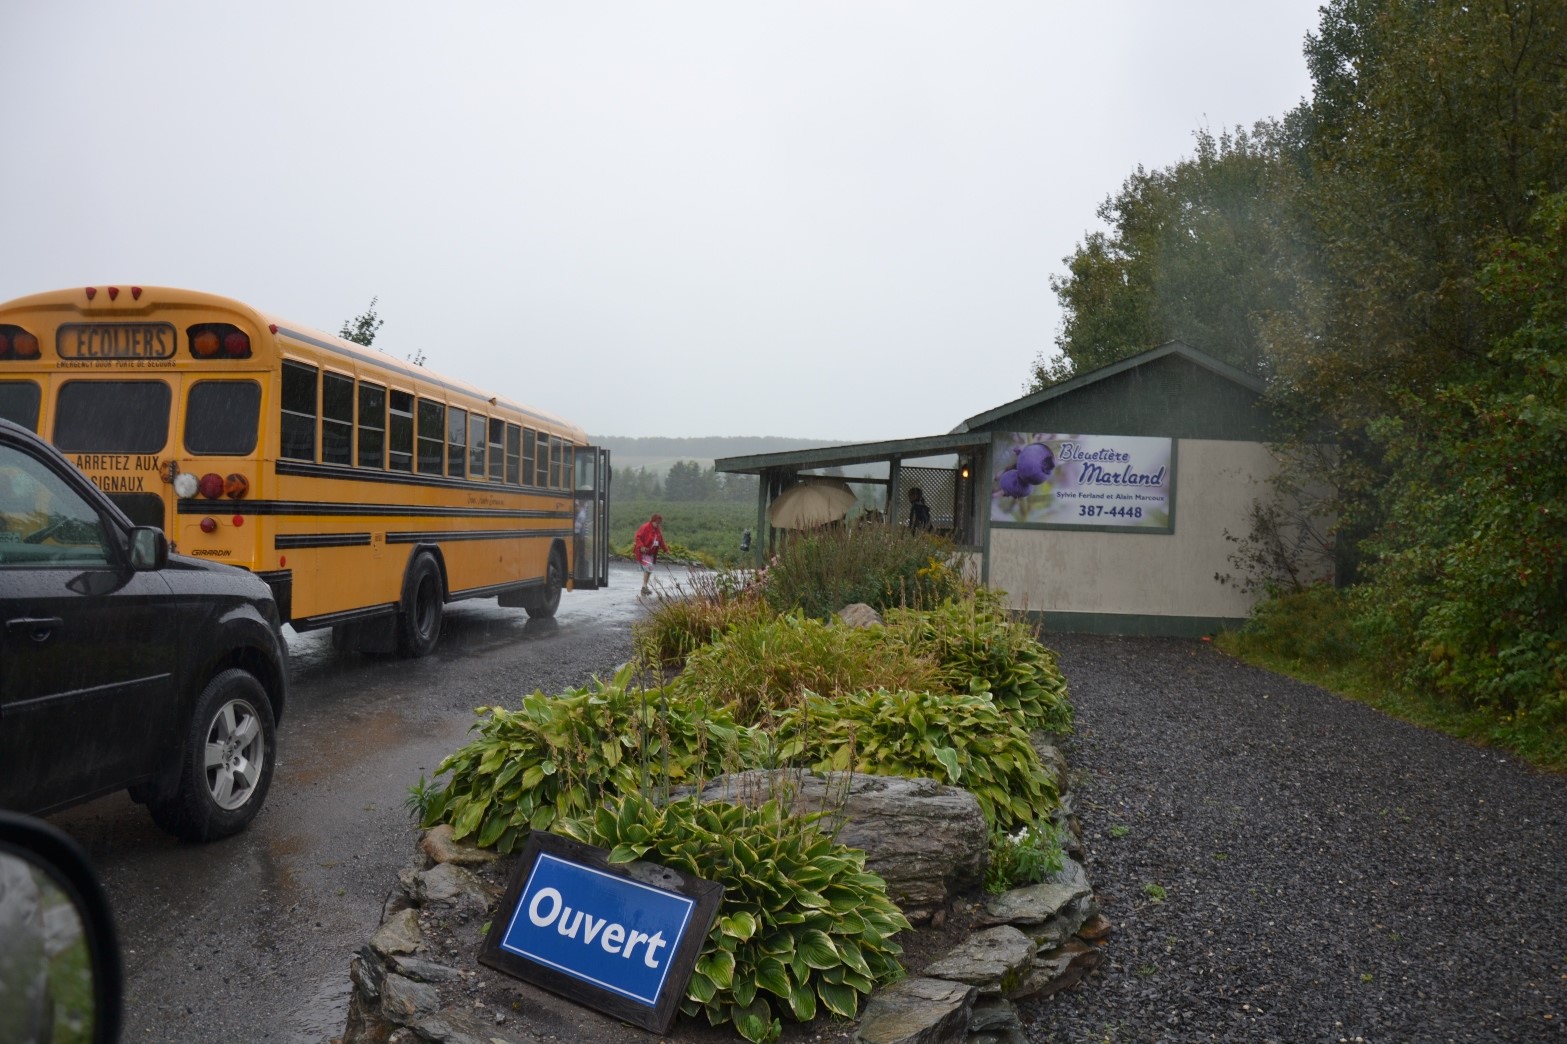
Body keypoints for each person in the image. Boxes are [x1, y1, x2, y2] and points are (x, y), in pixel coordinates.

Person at [633, 513, 665, 595]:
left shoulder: (657, 529)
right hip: (644, 551)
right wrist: (641, 546)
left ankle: (645, 586)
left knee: (649, 569)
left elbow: (661, 540)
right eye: (657, 522)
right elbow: (637, 537)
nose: (658, 524)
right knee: (648, 568)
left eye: (659, 523)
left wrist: (665, 549)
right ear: (653, 521)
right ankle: (644, 587)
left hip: (651, 552)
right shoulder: (645, 527)